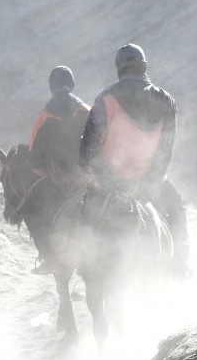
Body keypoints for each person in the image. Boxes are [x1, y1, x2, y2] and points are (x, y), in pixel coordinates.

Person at [79, 43, 190, 276]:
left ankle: (86, 265)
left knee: (88, 212)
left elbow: (89, 143)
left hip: (110, 181)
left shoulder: (104, 98)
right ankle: (180, 263)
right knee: (176, 207)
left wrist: (89, 168)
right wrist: (154, 178)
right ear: (144, 67)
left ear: (119, 69)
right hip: (149, 183)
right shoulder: (166, 99)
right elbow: (167, 147)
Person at [26, 66, 89, 274]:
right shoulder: (84, 109)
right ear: (71, 84)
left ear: (52, 87)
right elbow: (98, 137)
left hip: (59, 177)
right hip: (88, 174)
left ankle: (51, 258)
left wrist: (43, 168)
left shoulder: (45, 115)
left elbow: (34, 153)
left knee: (32, 208)